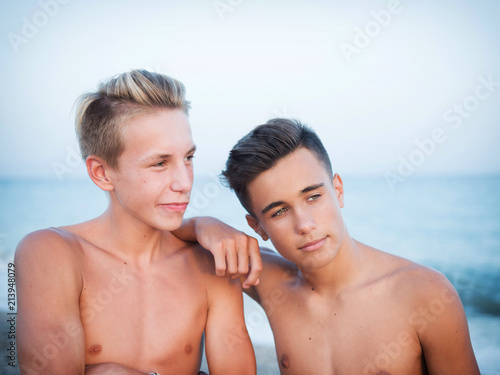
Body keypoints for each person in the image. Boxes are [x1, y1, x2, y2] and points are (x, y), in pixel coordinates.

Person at [15, 70, 258, 375]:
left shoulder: (211, 265)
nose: (184, 182)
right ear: (102, 173)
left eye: (188, 158)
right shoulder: (52, 254)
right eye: (160, 163)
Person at [220, 118, 480, 374]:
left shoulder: (425, 295)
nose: (305, 225)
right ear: (257, 227)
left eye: (313, 197)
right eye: (279, 212)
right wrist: (205, 225)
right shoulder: (270, 283)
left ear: (338, 191)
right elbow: (188, 246)